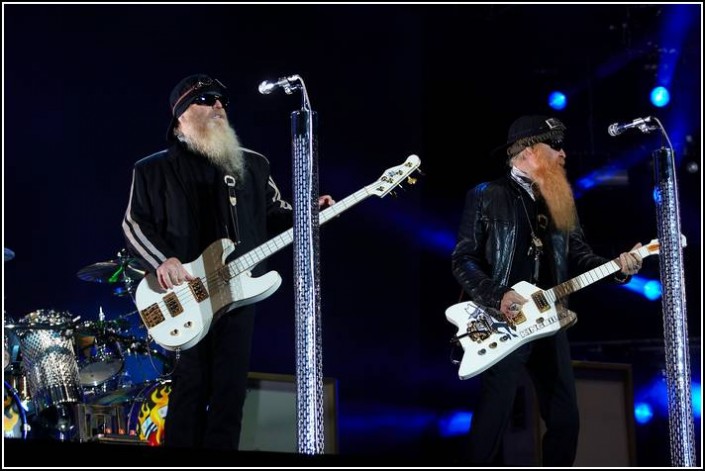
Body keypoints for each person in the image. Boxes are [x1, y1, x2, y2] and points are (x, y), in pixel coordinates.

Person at [121, 73, 333, 450]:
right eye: (206, 99)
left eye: (222, 100)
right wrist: (163, 260)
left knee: (230, 393)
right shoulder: (151, 169)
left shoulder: (252, 164)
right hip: (185, 295)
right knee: (190, 387)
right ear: (181, 115)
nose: (219, 105)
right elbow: (134, 223)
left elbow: (275, 213)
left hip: (237, 293)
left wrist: (307, 211)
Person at [451, 115, 643, 466]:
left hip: (548, 318)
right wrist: (498, 296)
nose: (563, 153)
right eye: (553, 145)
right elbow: (463, 259)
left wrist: (618, 268)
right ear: (526, 152)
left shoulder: (561, 200)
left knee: (566, 420)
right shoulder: (486, 195)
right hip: (501, 321)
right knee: (492, 423)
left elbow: (580, 255)